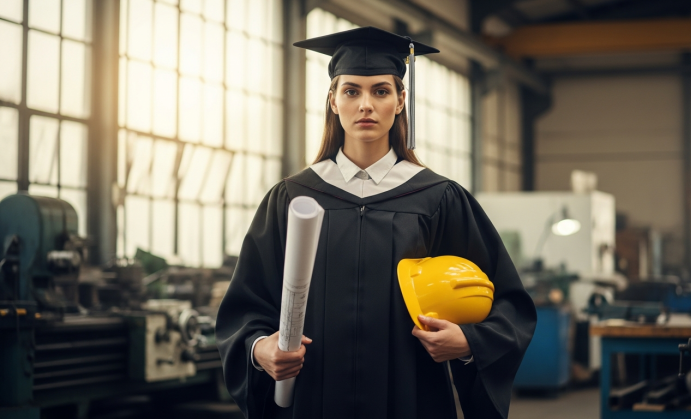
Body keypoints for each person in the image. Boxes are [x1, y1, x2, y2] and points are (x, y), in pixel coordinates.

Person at [216, 26, 537, 419]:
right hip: (314, 401)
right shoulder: (293, 198)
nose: (365, 105)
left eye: (380, 91)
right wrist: (259, 348)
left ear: (400, 101)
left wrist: (470, 341)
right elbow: (246, 305)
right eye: (351, 91)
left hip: (412, 401)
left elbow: (508, 302)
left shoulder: (437, 198)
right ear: (333, 101)